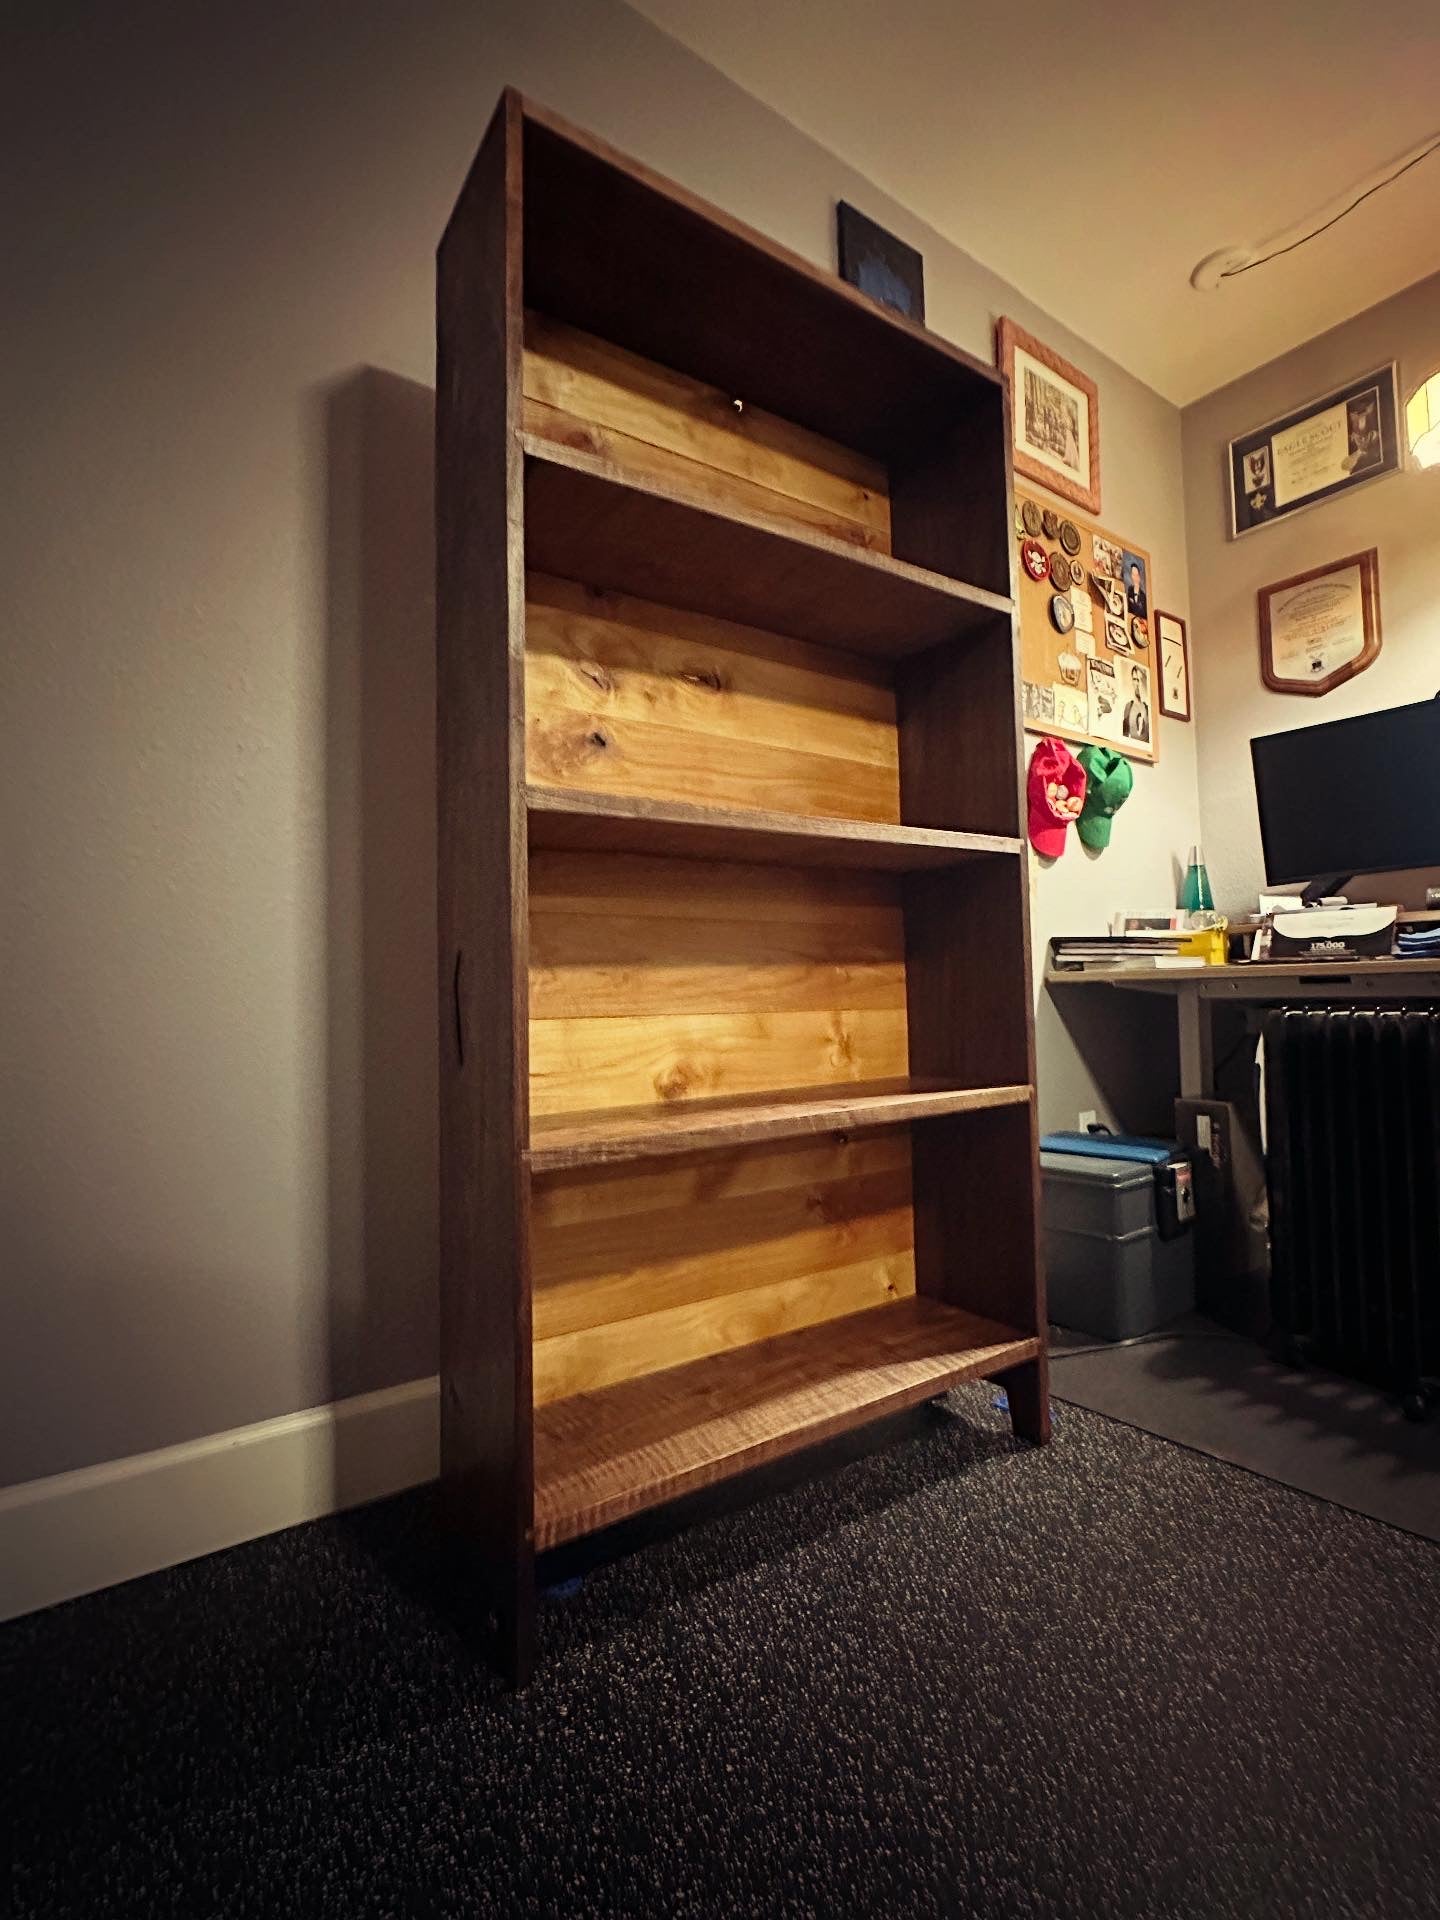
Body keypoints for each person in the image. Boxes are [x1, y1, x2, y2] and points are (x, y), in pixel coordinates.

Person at [1123, 664, 1150, 743]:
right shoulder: (1128, 706)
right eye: (1135, 679)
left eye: (1139, 680)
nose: (1137, 683)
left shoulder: (1147, 708)